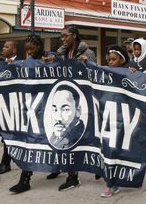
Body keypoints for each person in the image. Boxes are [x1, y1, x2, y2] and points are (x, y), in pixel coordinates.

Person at [52, 25, 96, 191]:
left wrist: (87, 64)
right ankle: (72, 177)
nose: (63, 39)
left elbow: (94, 74)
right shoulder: (62, 52)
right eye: (61, 36)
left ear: (75, 36)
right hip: (67, 101)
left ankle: (99, 166)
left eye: (66, 36)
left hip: (83, 100)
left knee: (89, 137)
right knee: (68, 138)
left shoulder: (87, 52)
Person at [9, 34, 45, 194]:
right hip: (31, 111)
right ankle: (25, 179)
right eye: (27, 49)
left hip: (47, 109)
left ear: (40, 46)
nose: (29, 52)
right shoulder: (24, 63)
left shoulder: (49, 59)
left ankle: (71, 175)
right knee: (30, 144)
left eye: (32, 48)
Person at [100, 45, 130, 198]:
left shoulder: (128, 74)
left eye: (114, 59)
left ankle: (117, 181)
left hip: (122, 120)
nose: (110, 62)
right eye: (109, 59)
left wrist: (134, 75)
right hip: (107, 119)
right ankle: (111, 184)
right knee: (108, 151)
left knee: (118, 151)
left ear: (122, 60)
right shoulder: (105, 73)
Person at [0, 41, 19, 175]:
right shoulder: (0, 64)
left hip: (17, 104)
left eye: (6, 47)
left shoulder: (21, 64)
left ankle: (7, 162)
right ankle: (6, 162)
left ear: (14, 50)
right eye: (3, 46)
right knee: (6, 135)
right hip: (4, 104)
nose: (3, 49)